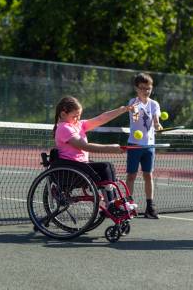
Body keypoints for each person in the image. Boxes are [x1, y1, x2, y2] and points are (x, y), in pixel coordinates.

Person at [53, 96, 137, 213]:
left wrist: (122, 109)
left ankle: (114, 202)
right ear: (63, 114)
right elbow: (84, 146)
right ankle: (111, 204)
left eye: (79, 116)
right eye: (74, 116)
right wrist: (111, 148)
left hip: (81, 166)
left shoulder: (77, 125)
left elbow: (101, 119)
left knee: (109, 167)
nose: (77, 119)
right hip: (72, 169)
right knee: (105, 166)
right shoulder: (63, 128)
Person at [126, 73, 162, 219]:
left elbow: (156, 118)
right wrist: (138, 108)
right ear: (136, 88)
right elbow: (135, 119)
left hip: (149, 146)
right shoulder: (133, 103)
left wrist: (157, 123)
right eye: (142, 88)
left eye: (148, 88)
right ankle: (127, 205)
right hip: (134, 144)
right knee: (132, 175)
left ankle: (150, 207)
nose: (146, 91)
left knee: (148, 175)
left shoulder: (154, 104)